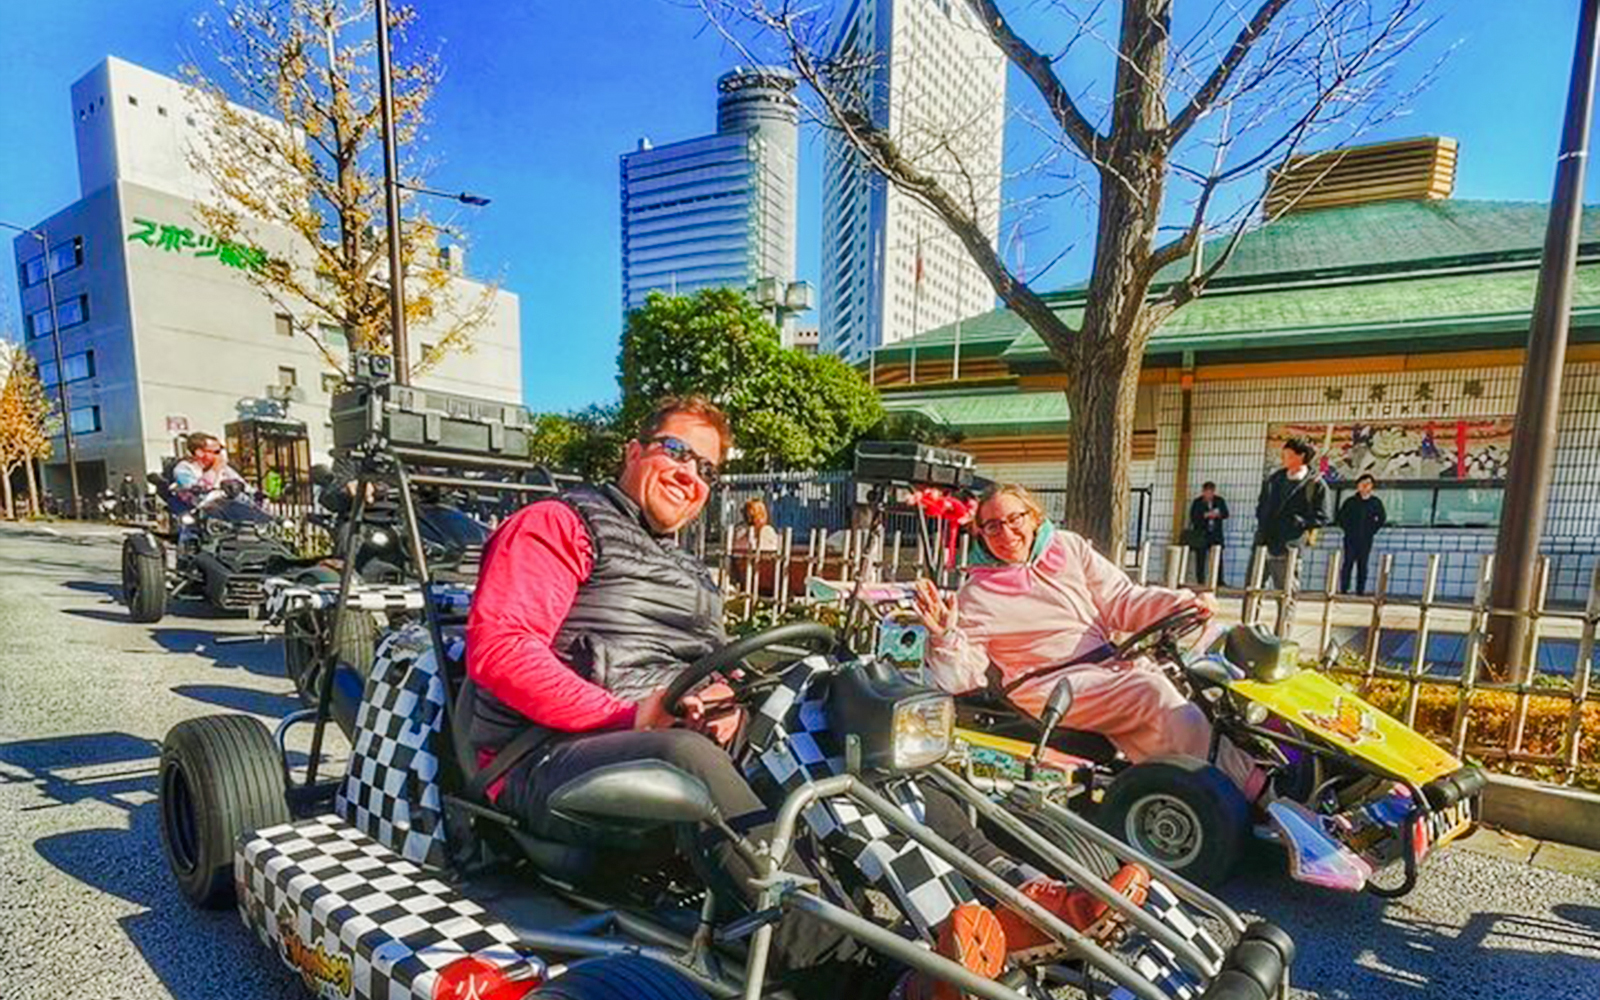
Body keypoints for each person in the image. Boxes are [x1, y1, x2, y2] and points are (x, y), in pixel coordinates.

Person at [465, 397, 1146, 1000]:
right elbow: (502, 652)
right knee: (685, 751)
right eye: (676, 451)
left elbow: (700, 668)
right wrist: (633, 713)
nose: (689, 473)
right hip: (548, 753)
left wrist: (738, 695)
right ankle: (868, 978)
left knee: (848, 707)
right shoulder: (558, 523)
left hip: (659, 729)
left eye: (706, 467)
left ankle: (1010, 893)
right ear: (633, 450)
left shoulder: (684, 566)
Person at [913, 483, 1263, 800]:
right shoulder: (977, 594)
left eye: (1014, 518)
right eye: (992, 526)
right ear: (981, 534)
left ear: (1034, 517)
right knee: (1150, 693)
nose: (1006, 532)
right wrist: (944, 636)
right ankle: (1241, 793)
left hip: (1108, 666)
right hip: (1046, 685)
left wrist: (1181, 604)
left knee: (1207, 683)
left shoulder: (1068, 548)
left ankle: (1210, 787)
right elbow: (963, 678)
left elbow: (1122, 600)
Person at [1253, 437, 1329, 630]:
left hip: (1289, 546)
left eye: (1287, 454)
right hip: (1263, 542)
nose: (1283, 458)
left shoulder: (1315, 484)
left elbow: (1323, 517)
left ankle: (1281, 640)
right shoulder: (1274, 478)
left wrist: (1299, 522)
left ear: (1301, 456)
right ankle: (1248, 634)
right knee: (1253, 592)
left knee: (1286, 596)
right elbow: (1261, 505)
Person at [1336, 474, 1387, 595]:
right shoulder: (1350, 502)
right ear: (1358, 486)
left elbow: (1381, 518)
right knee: (1347, 563)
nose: (1365, 486)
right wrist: (1348, 529)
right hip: (1350, 538)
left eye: (1368, 484)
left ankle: (1360, 590)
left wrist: (1371, 530)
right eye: (1362, 483)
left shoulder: (1375, 502)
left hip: (1366, 539)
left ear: (1372, 486)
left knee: (1363, 564)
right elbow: (1341, 517)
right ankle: (1344, 589)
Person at [170, 432, 246, 506]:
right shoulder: (184, 469)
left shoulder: (223, 467)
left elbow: (244, 485)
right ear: (200, 453)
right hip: (202, 513)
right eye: (217, 452)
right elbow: (199, 496)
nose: (221, 455)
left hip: (228, 509)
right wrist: (214, 471)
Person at [1186, 481, 1229, 587]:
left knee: (1218, 557)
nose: (1208, 495)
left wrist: (1217, 515)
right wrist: (1204, 515)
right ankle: (1200, 581)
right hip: (1201, 534)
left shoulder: (1219, 501)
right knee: (1200, 558)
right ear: (1203, 492)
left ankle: (1219, 581)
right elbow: (1193, 517)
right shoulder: (1197, 502)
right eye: (1206, 492)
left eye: (1211, 492)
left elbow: (1225, 514)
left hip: (1215, 533)